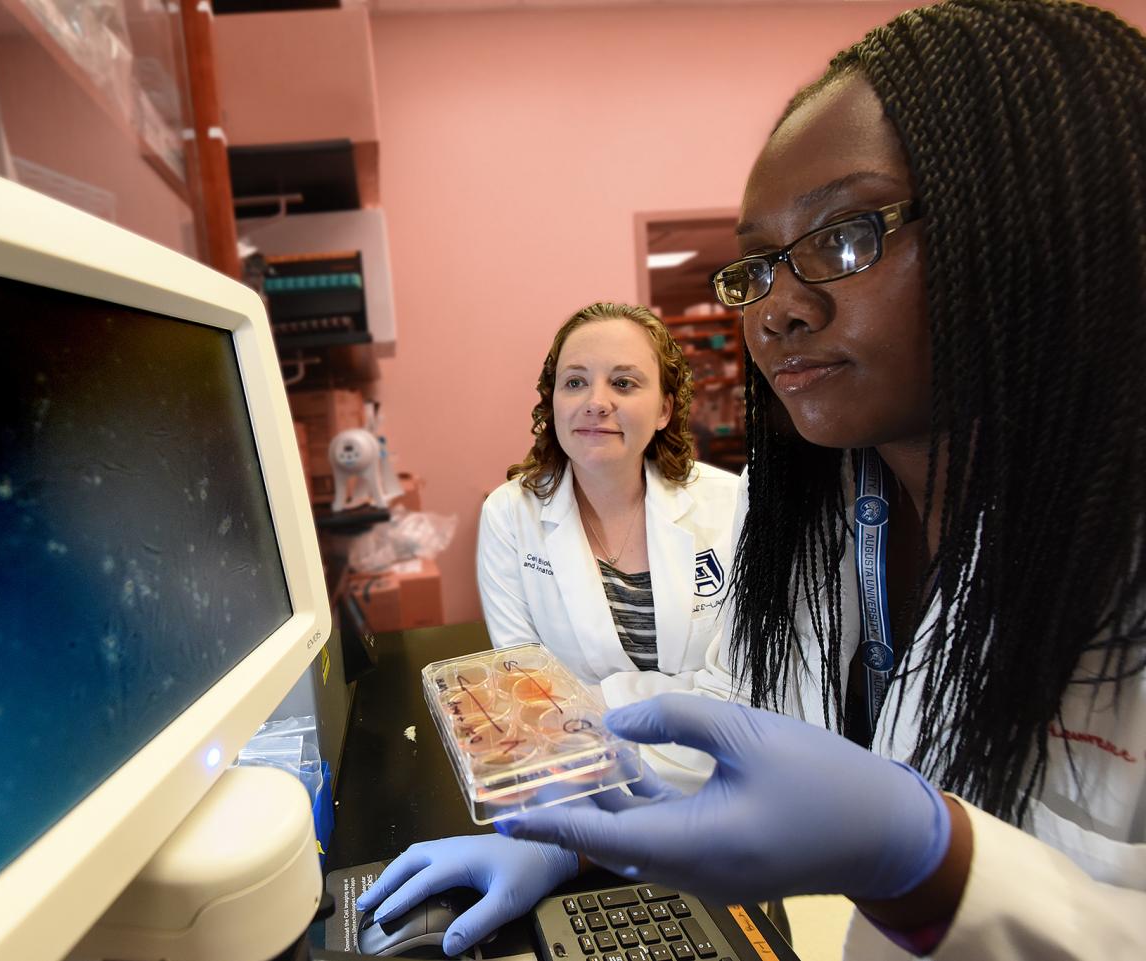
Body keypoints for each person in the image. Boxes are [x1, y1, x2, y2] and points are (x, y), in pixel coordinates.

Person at [359, 2, 1146, 958]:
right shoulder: (835, 520)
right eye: (757, 269)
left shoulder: (745, 507)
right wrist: (584, 845)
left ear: (1040, 219)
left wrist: (929, 862)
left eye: (847, 236)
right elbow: (771, 777)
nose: (776, 312)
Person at [476, 302, 740, 713]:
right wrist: (682, 692)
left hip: (713, 760)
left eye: (623, 383)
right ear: (552, 403)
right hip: (582, 764)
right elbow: (530, 689)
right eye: (575, 382)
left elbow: (739, 680)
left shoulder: (730, 504)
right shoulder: (509, 515)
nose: (596, 402)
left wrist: (594, 698)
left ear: (664, 410)